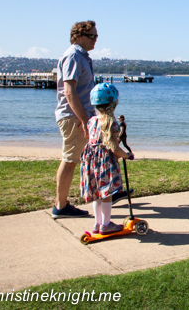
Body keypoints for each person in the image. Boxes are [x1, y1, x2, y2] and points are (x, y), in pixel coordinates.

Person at [52, 21, 98, 219]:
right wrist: (85, 120)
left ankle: (105, 193)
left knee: (94, 154)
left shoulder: (81, 56)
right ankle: (61, 206)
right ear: (77, 36)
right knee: (70, 160)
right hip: (75, 117)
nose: (95, 39)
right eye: (91, 36)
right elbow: (69, 92)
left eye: (96, 36)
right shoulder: (73, 56)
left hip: (83, 116)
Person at [80, 83, 134, 235]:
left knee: (97, 194)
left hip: (91, 162)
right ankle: (106, 224)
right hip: (105, 163)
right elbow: (114, 148)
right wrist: (127, 155)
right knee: (107, 194)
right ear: (113, 104)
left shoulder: (91, 121)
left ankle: (97, 224)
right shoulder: (111, 123)